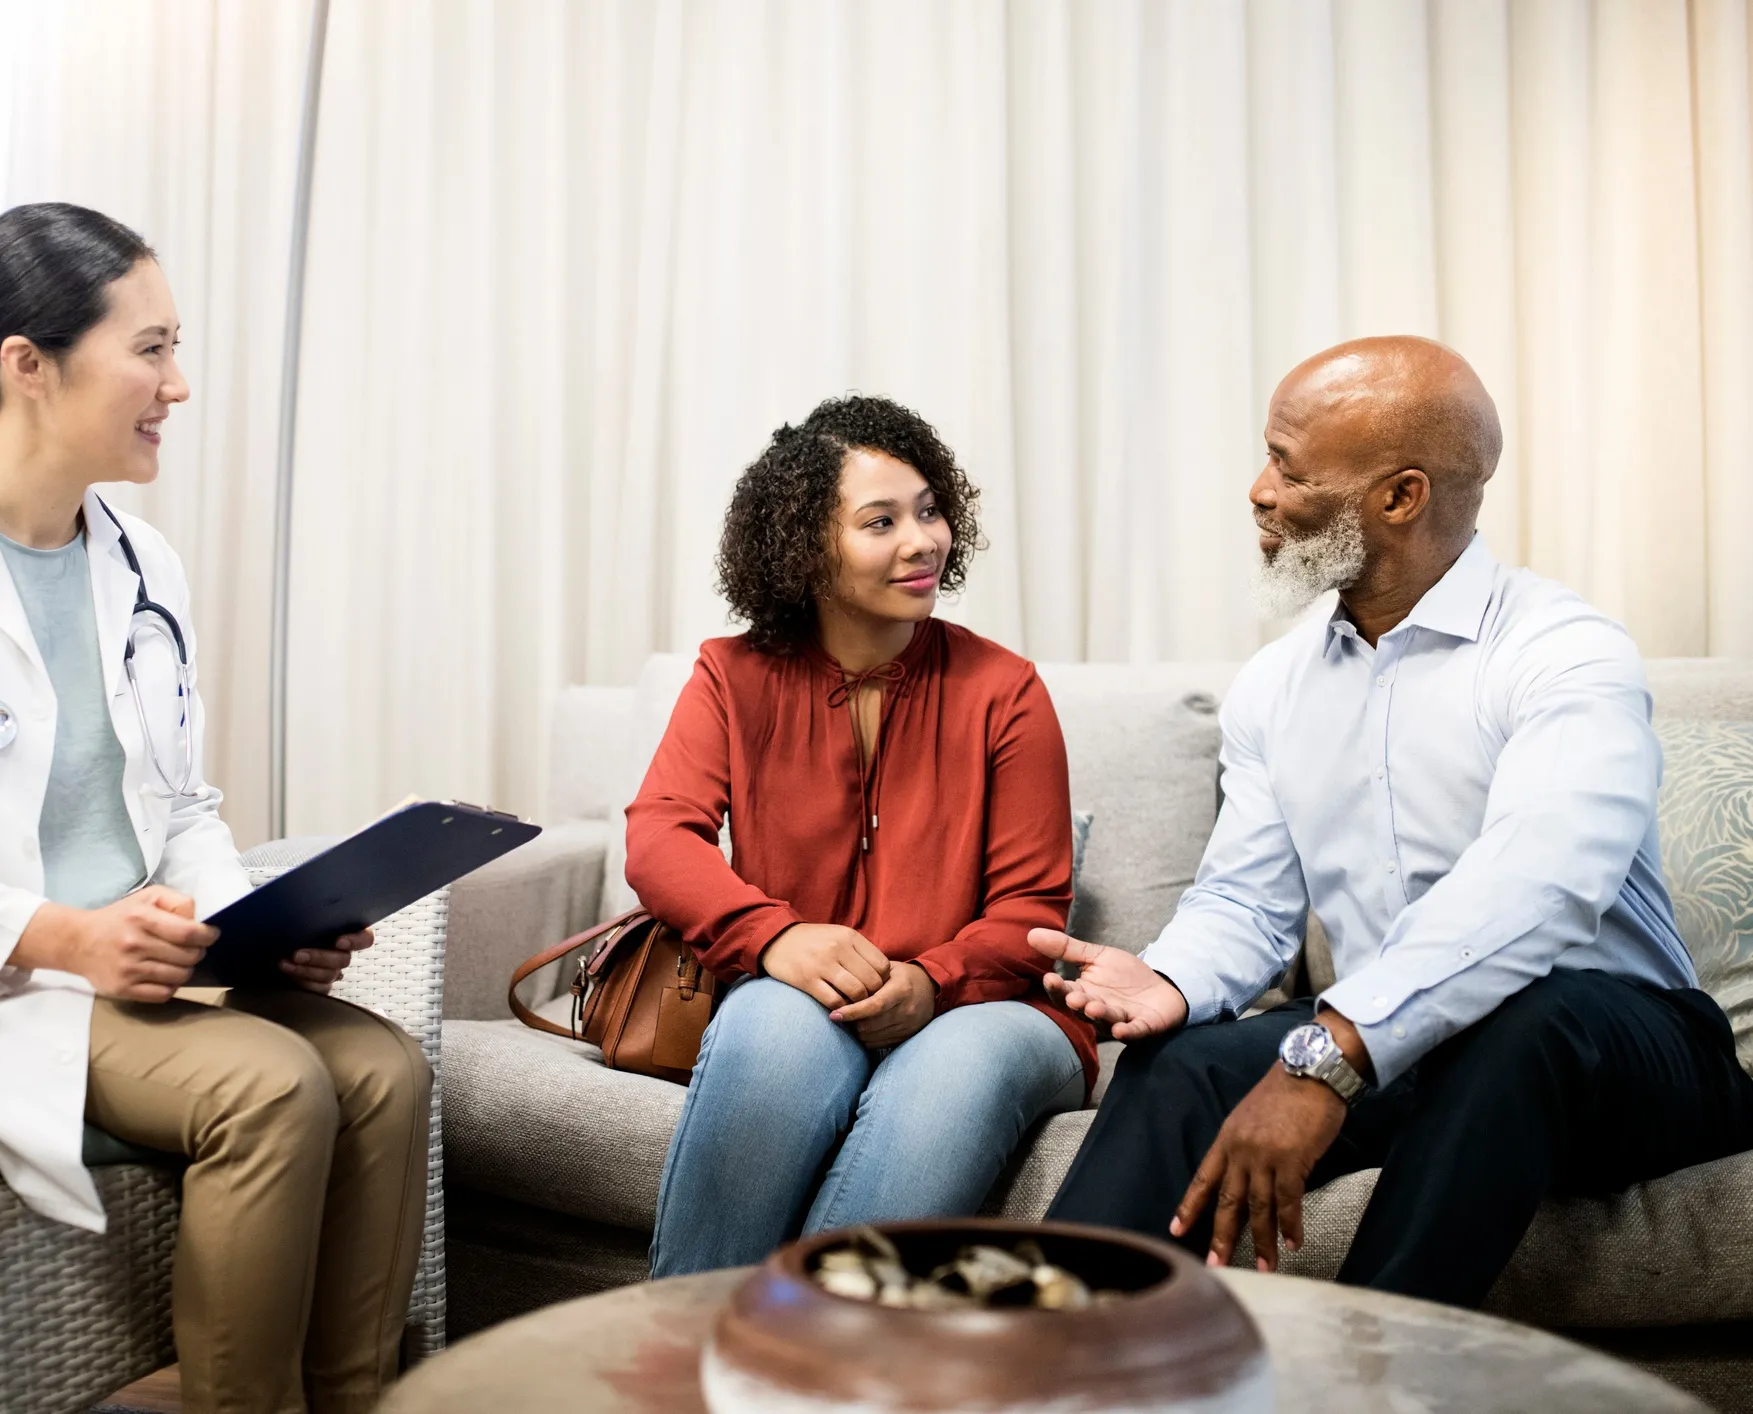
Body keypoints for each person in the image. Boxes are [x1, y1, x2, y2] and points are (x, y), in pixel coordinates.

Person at [0, 203, 430, 1414]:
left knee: (384, 1069)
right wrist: (71, 936)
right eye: (150, 349)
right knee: (271, 1084)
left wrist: (258, 920)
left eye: (175, 348)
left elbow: (181, 803)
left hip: (144, 967)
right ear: (27, 364)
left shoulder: (142, 563)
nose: (177, 384)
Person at [1033, 336, 1753, 1306]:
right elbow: (1246, 901)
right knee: (1184, 1063)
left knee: (1522, 1022)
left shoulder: (1564, 653)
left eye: (1287, 466)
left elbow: (1536, 889)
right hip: (1417, 1052)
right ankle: (1037, 1358)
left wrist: (1327, 1059)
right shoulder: (1277, 686)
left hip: (1622, 1051)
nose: (1257, 489)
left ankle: (1369, 1378)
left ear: (1400, 497)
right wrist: (1170, 976)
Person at [629, 395, 1095, 1276]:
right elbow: (660, 837)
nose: (922, 541)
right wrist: (775, 938)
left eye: (928, 510)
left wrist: (931, 980)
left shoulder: (1006, 689)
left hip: (993, 1007)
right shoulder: (730, 675)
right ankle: (682, 1365)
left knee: (950, 1072)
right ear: (805, 548)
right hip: (803, 990)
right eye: (880, 521)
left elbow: (1033, 908)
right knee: (769, 1028)